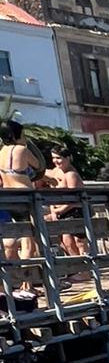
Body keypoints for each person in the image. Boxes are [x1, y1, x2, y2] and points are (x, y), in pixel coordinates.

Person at [0, 116, 43, 304]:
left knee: (9, 241)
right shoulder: (22, 150)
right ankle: (27, 283)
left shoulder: (0, 152)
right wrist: (27, 144)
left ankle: (12, 282)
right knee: (28, 243)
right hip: (26, 198)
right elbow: (39, 166)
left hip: (9, 198)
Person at [45, 144, 86, 260]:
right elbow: (43, 174)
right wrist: (54, 210)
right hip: (60, 212)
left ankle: (85, 269)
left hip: (74, 210)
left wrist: (59, 210)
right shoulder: (56, 171)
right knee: (66, 242)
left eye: (58, 158)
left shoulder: (71, 174)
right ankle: (77, 268)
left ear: (68, 158)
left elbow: (74, 198)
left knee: (79, 241)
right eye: (53, 158)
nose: (55, 161)